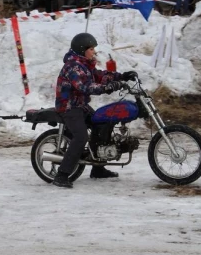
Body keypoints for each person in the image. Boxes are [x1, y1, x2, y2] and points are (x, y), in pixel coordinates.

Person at [52, 33, 138, 188]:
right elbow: (85, 87)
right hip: (69, 107)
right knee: (81, 136)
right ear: (82, 49)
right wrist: (107, 88)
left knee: (102, 126)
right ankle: (62, 175)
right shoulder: (73, 67)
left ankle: (97, 169)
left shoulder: (84, 64)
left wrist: (122, 77)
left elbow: (100, 76)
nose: (94, 51)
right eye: (91, 49)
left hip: (80, 105)